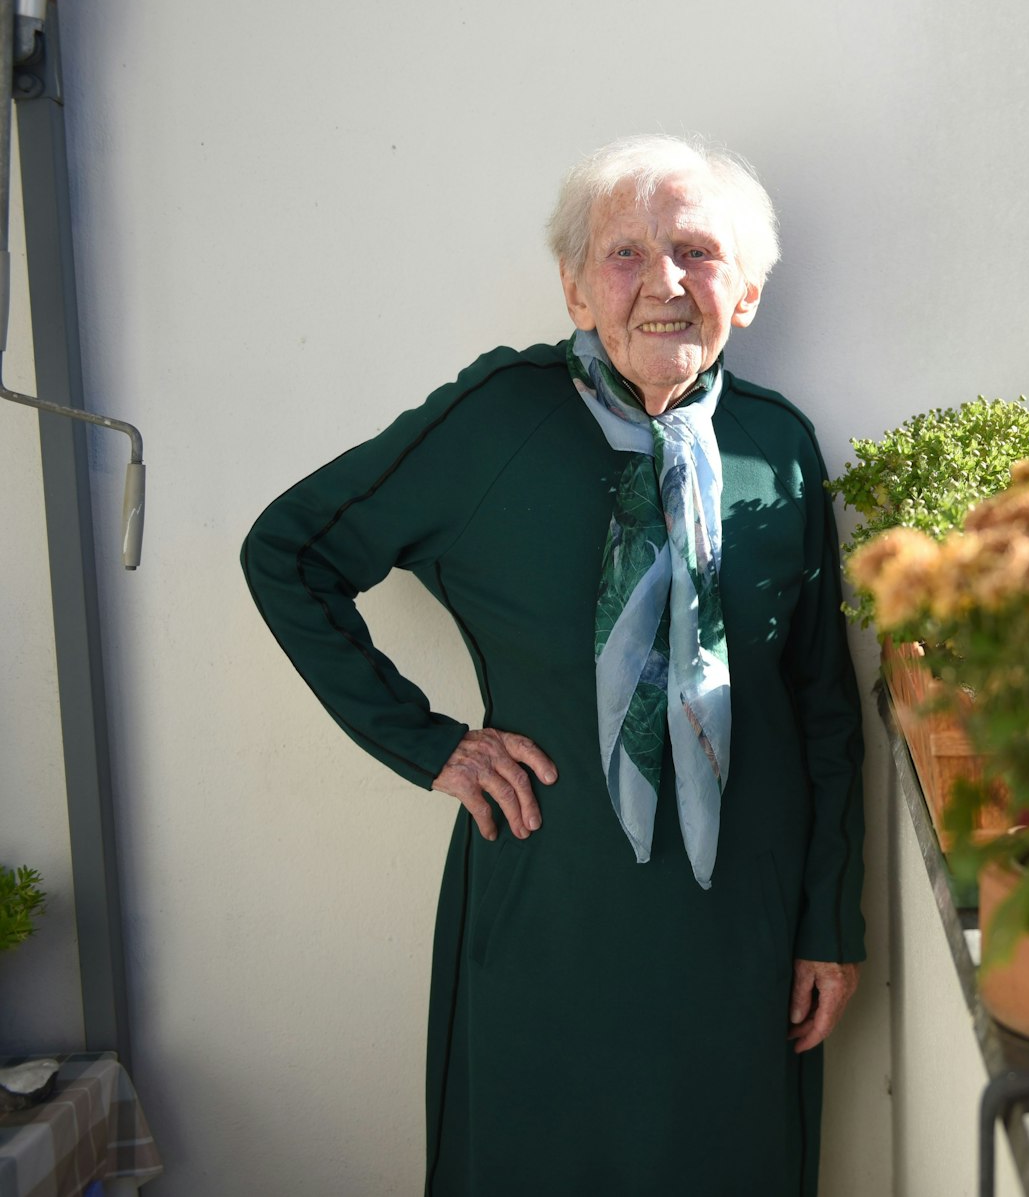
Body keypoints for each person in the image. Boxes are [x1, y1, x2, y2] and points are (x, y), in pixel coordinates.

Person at [241, 134, 865, 1196]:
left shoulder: (781, 449)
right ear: (576, 290)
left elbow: (820, 704)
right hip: (551, 901)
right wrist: (426, 743)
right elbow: (288, 552)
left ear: (747, 292)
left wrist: (831, 920)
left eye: (696, 252)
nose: (663, 282)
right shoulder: (497, 421)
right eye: (625, 254)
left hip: (742, 927)